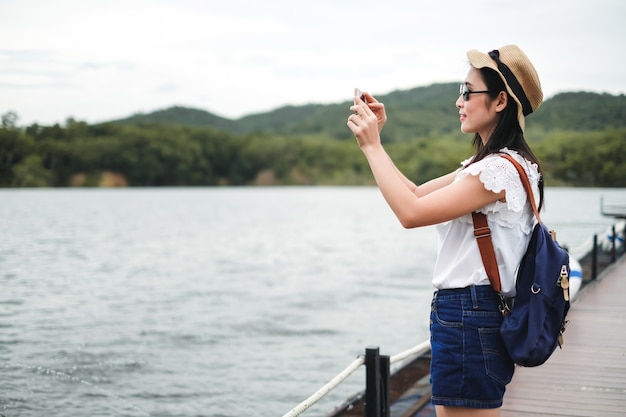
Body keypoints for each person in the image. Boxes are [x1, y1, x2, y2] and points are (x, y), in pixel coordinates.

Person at [346, 45, 544, 417]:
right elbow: (417, 194)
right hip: (473, 313)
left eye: (468, 91)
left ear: (500, 101)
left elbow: (410, 213)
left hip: (470, 314)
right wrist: (377, 144)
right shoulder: (495, 166)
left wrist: (371, 146)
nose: (459, 101)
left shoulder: (497, 171)